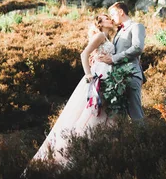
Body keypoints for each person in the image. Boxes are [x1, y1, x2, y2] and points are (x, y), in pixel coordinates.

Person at [29, 14, 118, 166]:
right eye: (106, 18)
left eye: (110, 17)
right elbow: (84, 54)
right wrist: (89, 74)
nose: (110, 19)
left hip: (106, 75)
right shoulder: (101, 35)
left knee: (99, 114)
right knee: (90, 113)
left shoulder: (108, 37)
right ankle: (72, 152)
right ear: (100, 23)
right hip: (98, 76)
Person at [97, 1, 146, 121]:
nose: (111, 18)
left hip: (131, 75)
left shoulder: (136, 26)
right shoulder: (118, 33)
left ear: (121, 11)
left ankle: (144, 139)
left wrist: (113, 59)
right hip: (117, 80)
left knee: (135, 114)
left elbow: (137, 48)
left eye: (113, 14)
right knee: (119, 118)